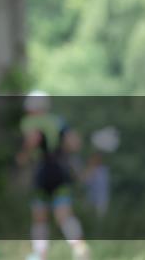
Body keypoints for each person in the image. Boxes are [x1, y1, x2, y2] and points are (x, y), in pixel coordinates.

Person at [17, 91, 89, 260]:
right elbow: (75, 144)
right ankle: (80, 250)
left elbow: (25, 154)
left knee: (43, 216)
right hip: (57, 173)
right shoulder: (58, 122)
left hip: (44, 174)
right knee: (60, 216)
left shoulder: (29, 123)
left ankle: (41, 254)